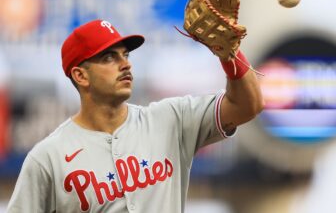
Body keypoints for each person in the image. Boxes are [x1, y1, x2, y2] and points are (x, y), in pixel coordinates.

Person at [7, 19, 264, 212]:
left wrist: (230, 54)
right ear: (80, 76)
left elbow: (247, 106)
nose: (125, 64)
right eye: (109, 57)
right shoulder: (48, 158)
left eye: (125, 55)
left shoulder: (171, 119)